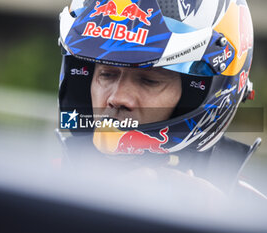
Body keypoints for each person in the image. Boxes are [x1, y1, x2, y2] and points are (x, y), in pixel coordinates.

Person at [57, 0, 266, 200]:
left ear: (199, 93)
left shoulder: (247, 214)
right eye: (106, 75)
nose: (117, 98)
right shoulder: (44, 182)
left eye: (149, 81)